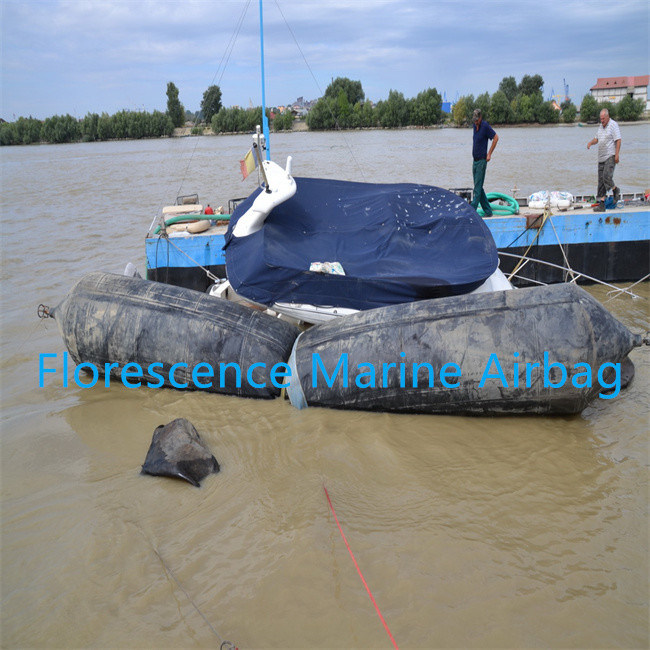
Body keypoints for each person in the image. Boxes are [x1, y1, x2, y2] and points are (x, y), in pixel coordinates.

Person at [587, 108, 621, 211]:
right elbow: (596, 139)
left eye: (603, 119)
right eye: (600, 119)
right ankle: (601, 205)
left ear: (607, 117)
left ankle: (615, 190)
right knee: (601, 182)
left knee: (607, 176)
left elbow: (618, 140)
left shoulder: (613, 125)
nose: (602, 121)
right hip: (601, 158)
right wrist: (590, 143)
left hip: (610, 155)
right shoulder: (600, 127)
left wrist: (617, 154)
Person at [470, 109, 499, 217]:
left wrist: (489, 153)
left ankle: (471, 213)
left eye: (477, 120)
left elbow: (496, 138)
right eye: (474, 120)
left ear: (480, 118)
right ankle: (488, 211)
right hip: (475, 161)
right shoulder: (474, 126)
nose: (475, 122)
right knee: (479, 187)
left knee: (477, 189)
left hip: (482, 161)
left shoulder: (485, 126)